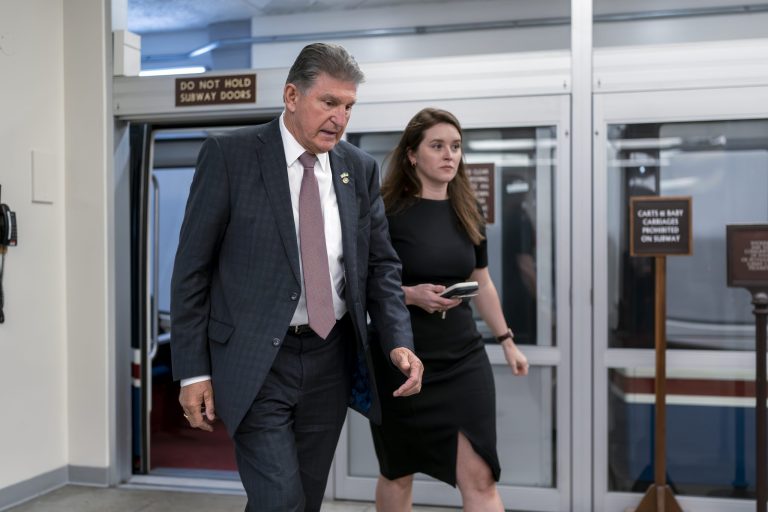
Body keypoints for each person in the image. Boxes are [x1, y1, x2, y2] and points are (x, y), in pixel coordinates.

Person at [170, 42, 423, 512]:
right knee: (280, 499)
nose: (340, 118)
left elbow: (381, 266)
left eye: (348, 107)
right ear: (291, 95)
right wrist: (193, 370)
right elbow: (192, 271)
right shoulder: (230, 156)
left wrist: (398, 339)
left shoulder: (358, 170)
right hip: (256, 360)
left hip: (330, 357)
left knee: (303, 500)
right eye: (328, 103)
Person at [370, 107, 529, 512]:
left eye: (455, 147)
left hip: (462, 358)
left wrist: (507, 340)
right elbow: (365, 286)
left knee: (480, 476)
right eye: (437, 145)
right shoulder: (386, 215)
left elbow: (484, 280)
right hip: (402, 359)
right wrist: (410, 295)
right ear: (411, 155)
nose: (449, 155)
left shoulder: (467, 211)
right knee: (397, 472)